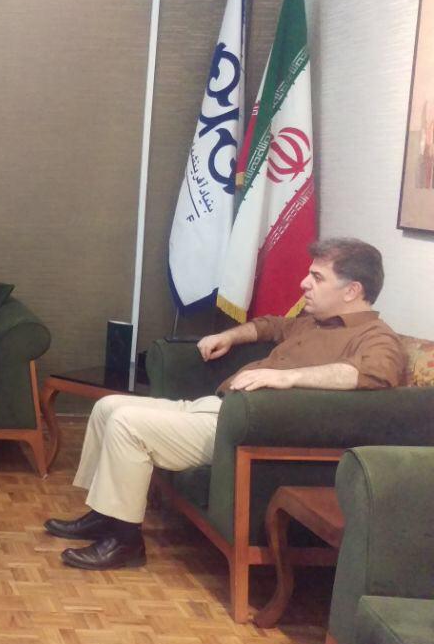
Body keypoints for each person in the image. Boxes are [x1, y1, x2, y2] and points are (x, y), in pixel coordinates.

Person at [45, 237, 407, 571]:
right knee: (108, 407)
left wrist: (289, 377)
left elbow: (377, 373)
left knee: (127, 424)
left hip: (243, 431)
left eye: (317, 277)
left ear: (353, 290)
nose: (304, 284)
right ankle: (105, 514)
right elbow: (269, 326)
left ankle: (125, 543)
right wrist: (229, 335)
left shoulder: (376, 337)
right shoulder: (314, 322)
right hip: (220, 407)